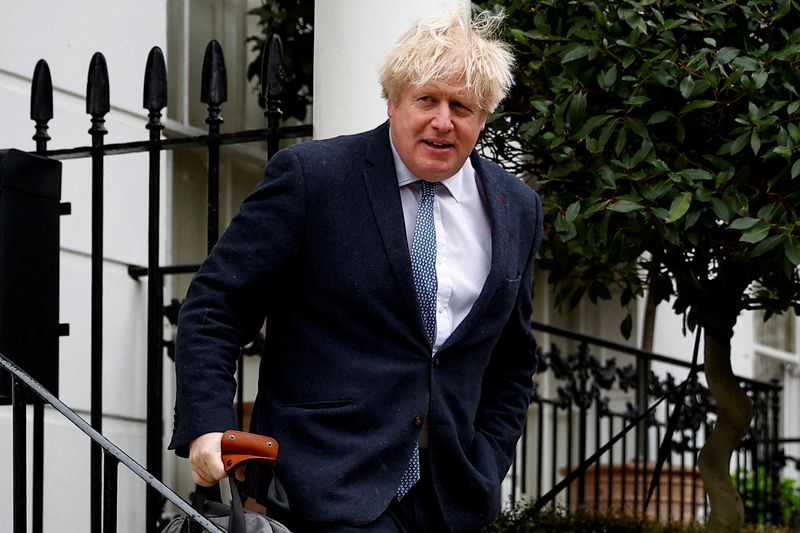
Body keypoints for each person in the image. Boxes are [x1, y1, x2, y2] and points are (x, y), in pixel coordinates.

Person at [169, 6, 543, 532]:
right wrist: (208, 424)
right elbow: (215, 306)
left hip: (450, 500)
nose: (443, 120)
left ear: (482, 117)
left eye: (461, 105)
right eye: (426, 100)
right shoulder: (313, 178)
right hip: (324, 486)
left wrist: (488, 459)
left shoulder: (516, 208)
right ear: (391, 102)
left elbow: (513, 358)